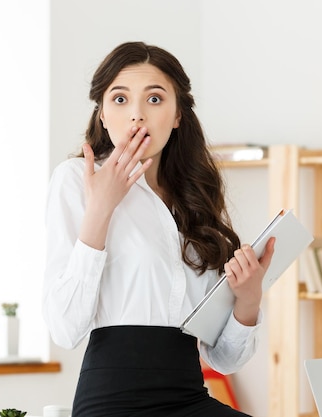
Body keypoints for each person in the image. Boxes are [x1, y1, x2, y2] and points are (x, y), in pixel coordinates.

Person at [42, 41, 276, 417]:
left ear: (178, 114)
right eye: (120, 100)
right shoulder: (76, 180)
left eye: (154, 99)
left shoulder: (193, 197)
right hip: (113, 402)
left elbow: (225, 360)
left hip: (189, 396)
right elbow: (65, 329)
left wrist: (248, 301)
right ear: (102, 114)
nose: (137, 116)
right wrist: (101, 209)